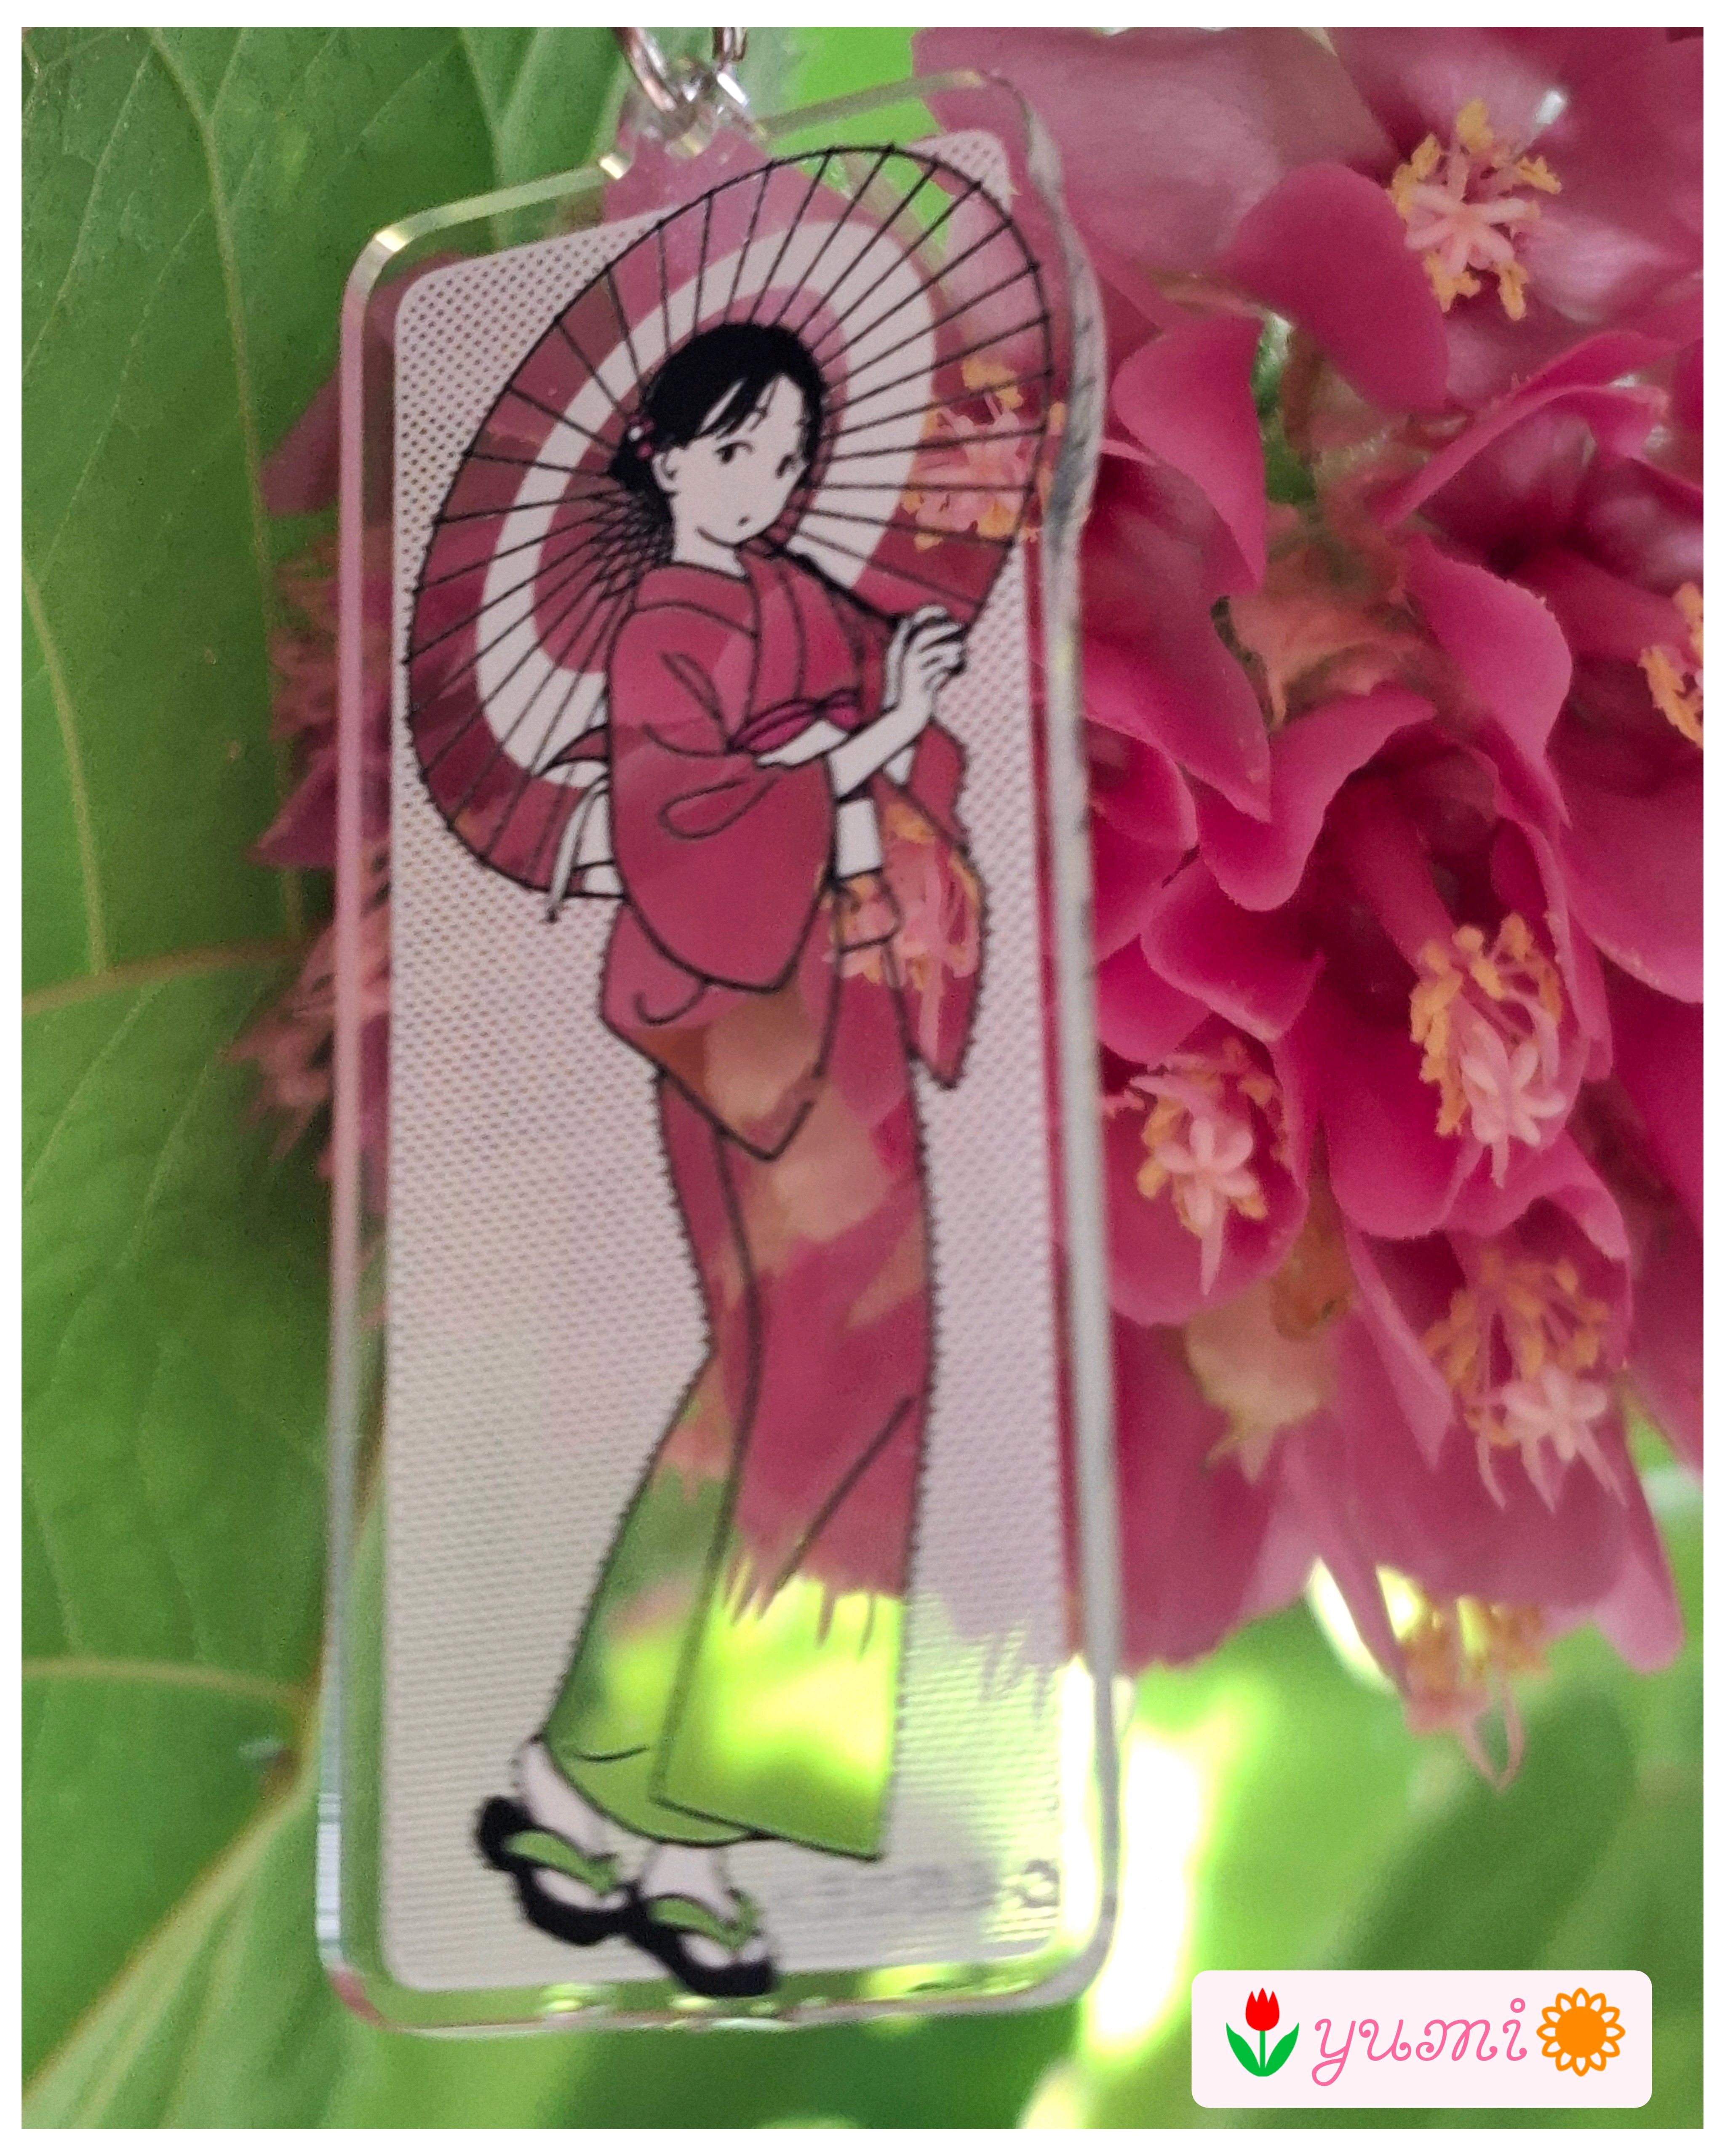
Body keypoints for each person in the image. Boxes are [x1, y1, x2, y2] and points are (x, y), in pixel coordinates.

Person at [477, 321, 985, 1997]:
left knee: (824, 1362)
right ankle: (665, 1810)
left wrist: (913, 695)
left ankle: (612, 1800)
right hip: (747, 1025)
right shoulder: (665, 632)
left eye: (787, 451)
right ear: (663, 457)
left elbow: (890, 741)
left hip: (840, 993)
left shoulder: (794, 600)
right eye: (735, 447)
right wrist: (871, 735)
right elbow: (688, 833)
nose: (765, 477)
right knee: (817, 1360)